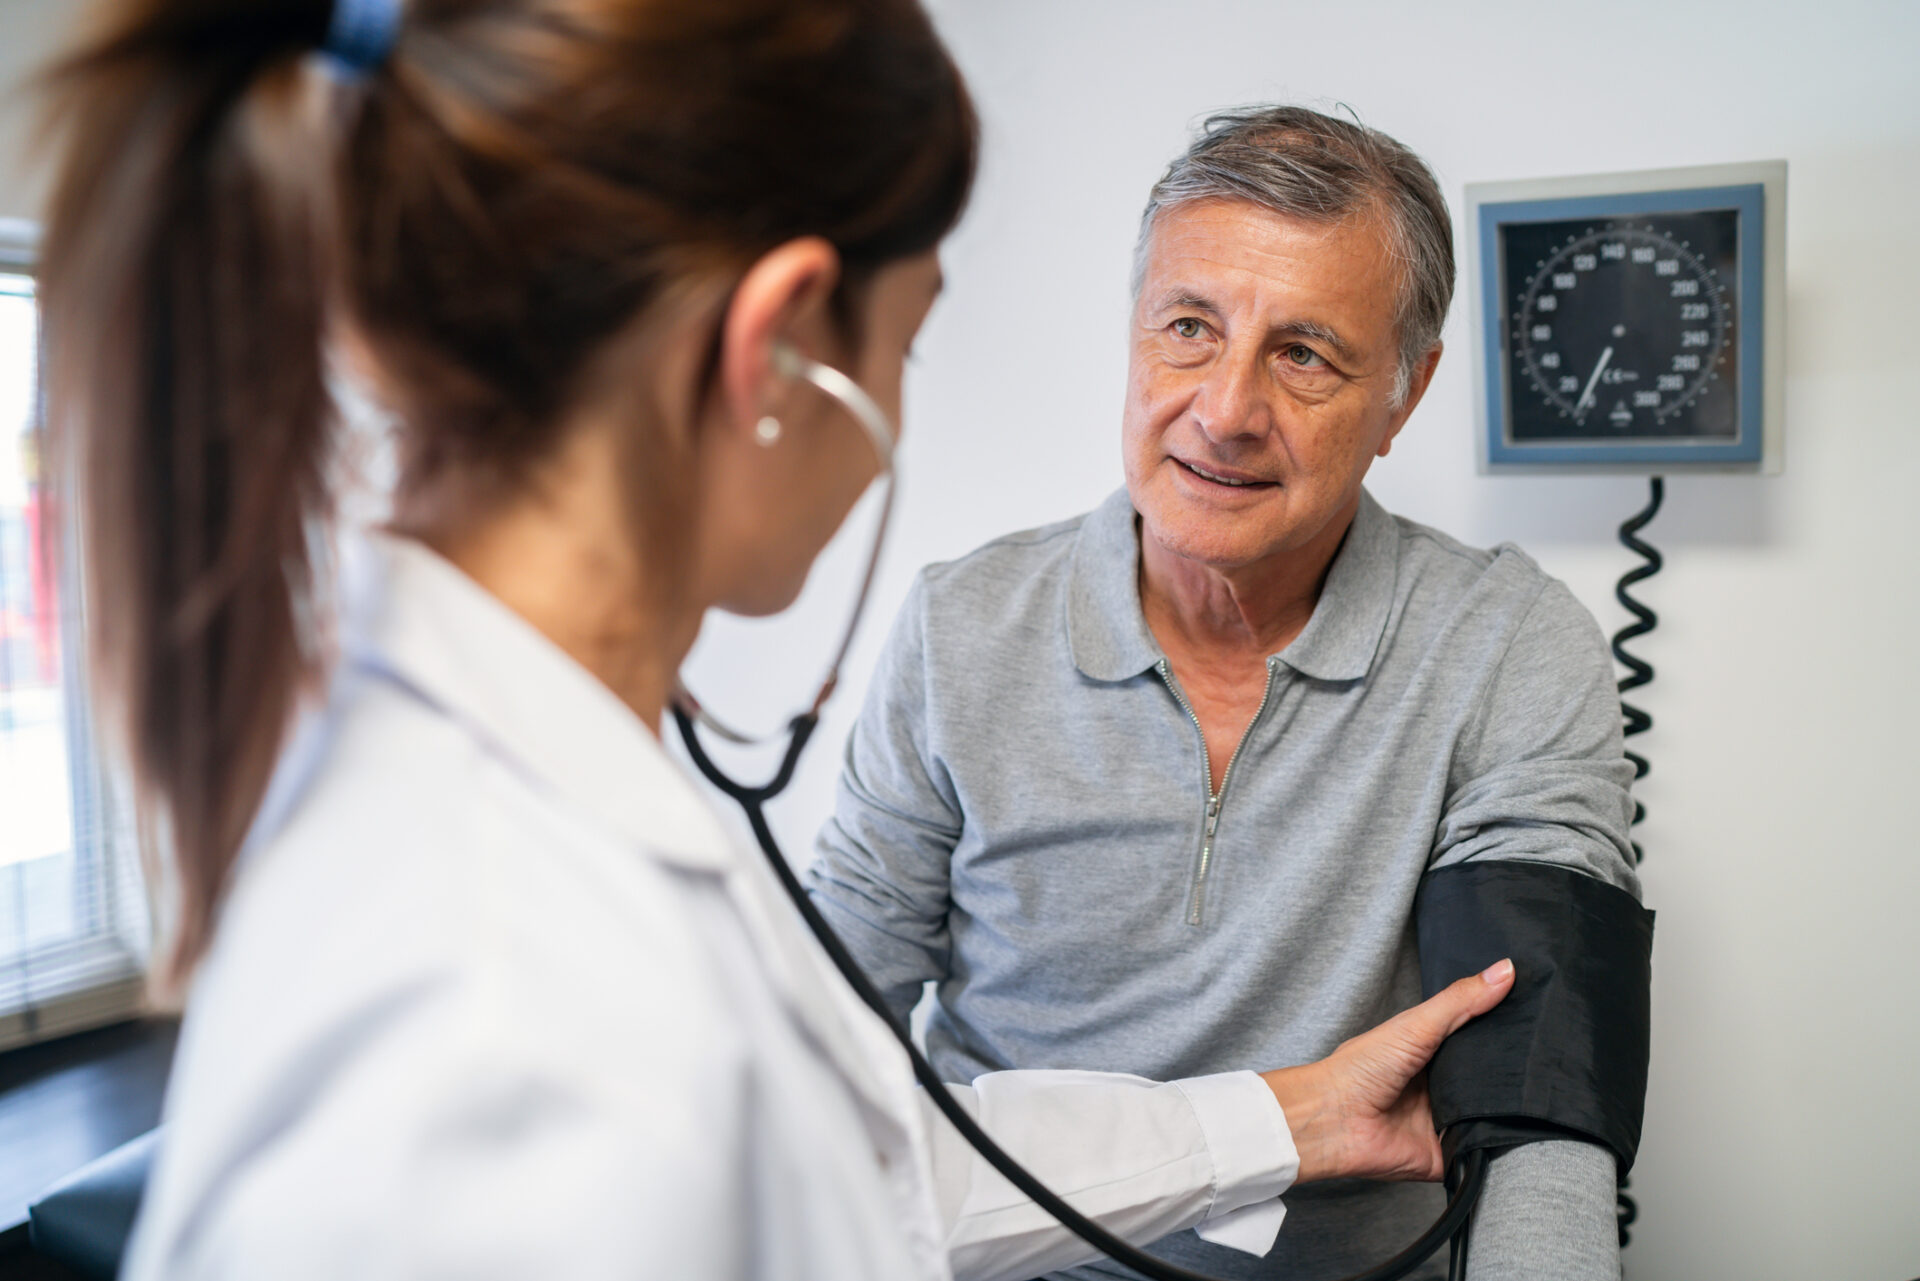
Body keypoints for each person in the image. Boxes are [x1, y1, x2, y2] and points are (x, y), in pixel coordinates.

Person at [36, 6, 1517, 1279]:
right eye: (907, 339)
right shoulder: (497, 999)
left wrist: (1287, 1116)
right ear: (782, 344)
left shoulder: (532, 833)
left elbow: (869, 1159)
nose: (1223, 404)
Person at [809, 106, 1643, 1281]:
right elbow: (820, 1028)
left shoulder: (1506, 642)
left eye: (1304, 354)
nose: (1226, 409)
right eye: (1190, 329)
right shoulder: (960, 629)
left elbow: (1540, 1094)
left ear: (1403, 396)